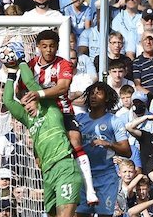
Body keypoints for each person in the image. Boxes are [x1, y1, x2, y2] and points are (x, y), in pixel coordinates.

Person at [2, 60, 113, 217]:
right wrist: (10, 73)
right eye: (23, 101)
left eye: (28, 98)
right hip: (48, 175)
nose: (26, 103)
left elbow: (31, 83)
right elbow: (8, 100)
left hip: (65, 167)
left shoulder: (51, 110)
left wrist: (22, 64)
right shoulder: (28, 119)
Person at [22, 31, 98, 205]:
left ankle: (89, 189)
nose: (48, 50)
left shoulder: (63, 64)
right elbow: (20, 90)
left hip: (63, 111)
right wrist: (27, 101)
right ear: (38, 47)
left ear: (57, 46)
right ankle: (52, 189)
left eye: (52, 46)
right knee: (41, 158)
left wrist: (37, 94)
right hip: (41, 116)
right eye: (45, 46)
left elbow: (63, 88)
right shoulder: (30, 66)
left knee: (75, 139)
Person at [75, 81, 131, 217]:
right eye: (91, 93)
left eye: (98, 93)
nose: (93, 96)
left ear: (106, 97)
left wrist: (109, 144)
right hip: (84, 176)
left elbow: (127, 150)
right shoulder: (80, 119)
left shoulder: (114, 121)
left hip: (106, 177)